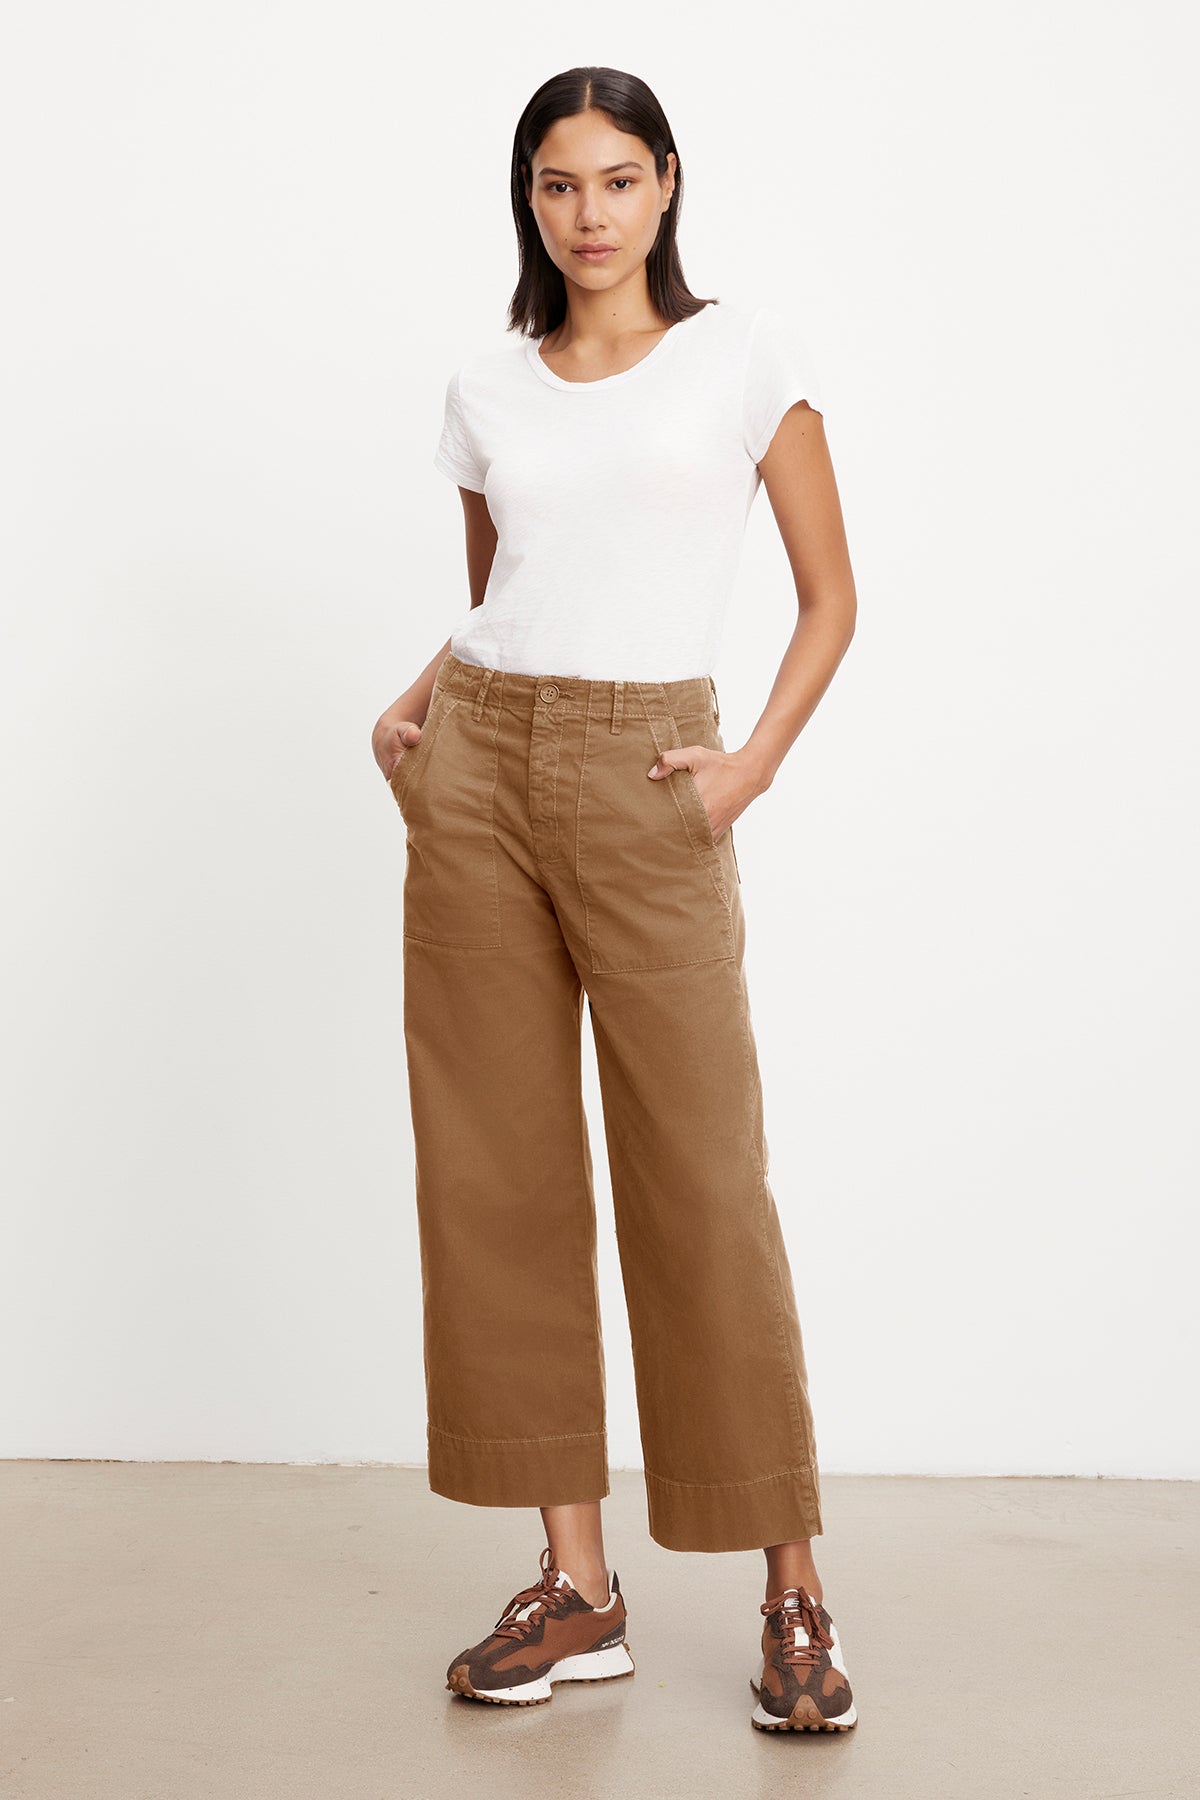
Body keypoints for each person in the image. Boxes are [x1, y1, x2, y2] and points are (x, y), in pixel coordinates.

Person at [371, 66, 858, 1734]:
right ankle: (576, 1586)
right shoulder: (487, 382)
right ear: (530, 201)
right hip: (483, 768)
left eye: (617, 180)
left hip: (659, 774)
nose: (589, 213)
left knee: (701, 1178)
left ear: (667, 186)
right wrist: (420, 706)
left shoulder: (743, 359)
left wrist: (752, 766)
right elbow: (507, 589)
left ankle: (794, 1590)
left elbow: (829, 594)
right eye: (558, 185)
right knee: (497, 1175)